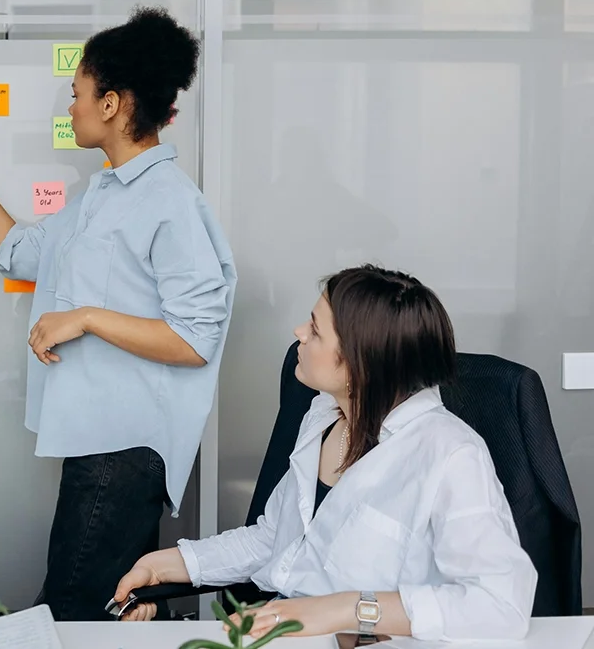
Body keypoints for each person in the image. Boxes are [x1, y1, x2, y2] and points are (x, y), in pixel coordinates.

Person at [0, 6, 236, 621]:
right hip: (94, 442)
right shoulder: (97, 195)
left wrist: (88, 317)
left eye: (78, 94)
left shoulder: (170, 203)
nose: (70, 108)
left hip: (127, 448)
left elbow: (196, 338)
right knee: (111, 612)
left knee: (71, 613)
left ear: (113, 104)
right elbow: (19, 250)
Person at [113, 265, 537, 641]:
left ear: (361, 362)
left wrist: (343, 609)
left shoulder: (451, 455)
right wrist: (166, 564)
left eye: (315, 329)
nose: (299, 333)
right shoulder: (322, 415)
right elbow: (274, 539)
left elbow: (500, 607)